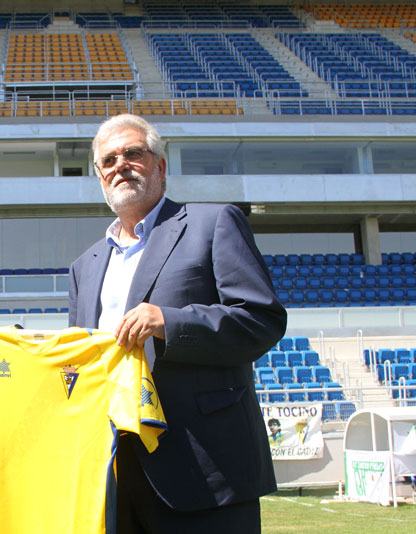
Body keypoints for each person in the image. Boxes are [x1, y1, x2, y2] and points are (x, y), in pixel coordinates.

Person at [68, 114, 287, 533]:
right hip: (114, 475)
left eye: (134, 153)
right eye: (109, 160)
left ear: (161, 166)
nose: (121, 165)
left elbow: (262, 319)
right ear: (99, 177)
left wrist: (170, 321)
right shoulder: (84, 266)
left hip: (206, 469)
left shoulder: (213, 223)